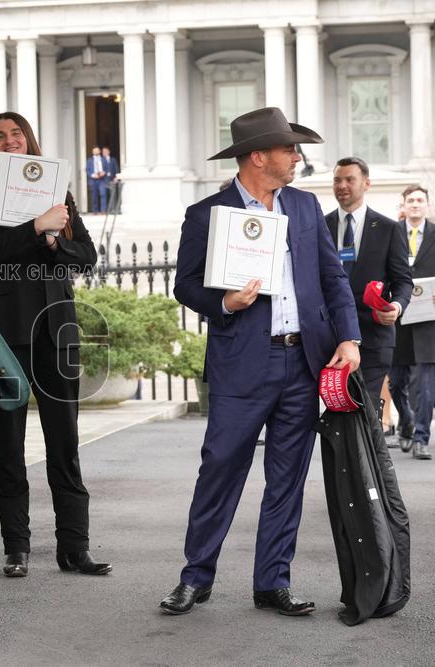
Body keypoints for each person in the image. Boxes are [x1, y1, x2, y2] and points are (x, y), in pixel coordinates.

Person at [161, 107, 360, 617]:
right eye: (290, 149)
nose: (297, 157)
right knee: (220, 470)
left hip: (303, 363)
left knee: (288, 478)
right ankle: (195, 577)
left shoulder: (305, 207)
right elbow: (184, 284)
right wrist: (225, 303)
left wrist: (350, 339)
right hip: (242, 363)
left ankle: (272, 581)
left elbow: (334, 279)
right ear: (258, 156)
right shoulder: (207, 213)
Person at [0, 111, 111, 578]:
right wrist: (33, 228)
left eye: (17, 133)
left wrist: (53, 241)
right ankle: (16, 547)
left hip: (56, 332)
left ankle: (75, 547)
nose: (10, 141)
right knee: (9, 444)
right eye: (0, 136)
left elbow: (85, 255)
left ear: (30, 141)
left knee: (64, 443)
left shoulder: (59, 195)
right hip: (5, 334)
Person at [325, 157, 413, 410]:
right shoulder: (319, 226)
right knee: (337, 412)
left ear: (366, 183)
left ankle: (372, 451)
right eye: (337, 180)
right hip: (329, 338)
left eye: (349, 179)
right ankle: (354, 452)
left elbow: (402, 280)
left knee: (366, 410)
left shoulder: (388, 229)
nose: (342, 185)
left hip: (374, 337)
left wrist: (395, 306)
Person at [389, 184, 435, 460]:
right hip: (398, 315)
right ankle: (405, 420)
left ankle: (421, 437)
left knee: (426, 383)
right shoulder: (391, 233)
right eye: (411, 200)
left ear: (427, 205)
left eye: (420, 200)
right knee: (395, 382)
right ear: (404, 205)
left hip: (428, 318)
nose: (415, 204)